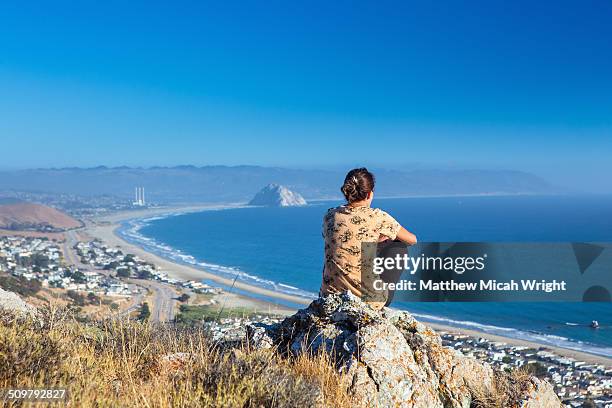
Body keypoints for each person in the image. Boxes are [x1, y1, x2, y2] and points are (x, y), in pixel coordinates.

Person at [320, 167, 417, 309]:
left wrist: (374, 240)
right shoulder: (377, 217)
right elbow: (412, 240)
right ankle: (379, 300)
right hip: (366, 302)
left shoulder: (330, 215)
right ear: (369, 194)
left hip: (328, 297)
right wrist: (386, 239)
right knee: (398, 247)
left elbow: (343, 239)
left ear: (347, 192)